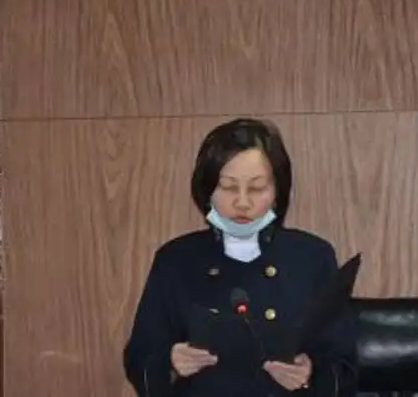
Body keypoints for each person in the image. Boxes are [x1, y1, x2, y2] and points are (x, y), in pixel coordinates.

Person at [123, 118, 357, 397]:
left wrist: (309, 374)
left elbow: (343, 362)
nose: (242, 202)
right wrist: (171, 362)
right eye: (229, 187)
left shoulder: (312, 257)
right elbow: (140, 356)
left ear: (277, 193)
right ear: (207, 191)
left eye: (257, 188)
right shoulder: (176, 260)